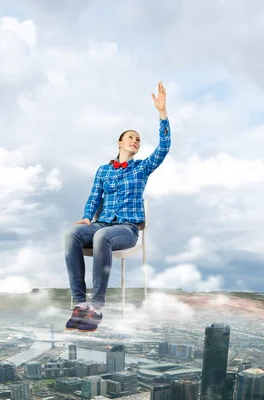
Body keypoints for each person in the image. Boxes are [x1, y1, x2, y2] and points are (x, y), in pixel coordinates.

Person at [64, 81, 172, 332]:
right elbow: (94, 197)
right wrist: (87, 217)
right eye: (131, 137)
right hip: (102, 224)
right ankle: (79, 303)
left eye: (138, 139)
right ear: (120, 143)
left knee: (103, 236)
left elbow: (164, 148)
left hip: (127, 228)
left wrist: (162, 114)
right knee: (73, 233)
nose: (135, 141)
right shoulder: (103, 170)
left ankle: (97, 307)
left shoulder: (142, 167)